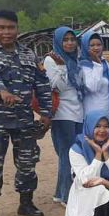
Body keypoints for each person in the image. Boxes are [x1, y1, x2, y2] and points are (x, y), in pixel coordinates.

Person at [0, 10, 52, 216]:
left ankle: (26, 203)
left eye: (11, 27)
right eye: (1, 28)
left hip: (24, 119)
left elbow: (42, 85)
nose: (6, 32)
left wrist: (46, 113)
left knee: (27, 162)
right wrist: (2, 92)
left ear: (17, 29)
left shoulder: (29, 55)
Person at [44, 27, 84, 204]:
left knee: (76, 154)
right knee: (66, 155)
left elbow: (81, 84)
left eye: (72, 39)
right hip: (62, 113)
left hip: (78, 111)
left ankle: (60, 193)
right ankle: (67, 195)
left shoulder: (76, 59)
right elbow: (56, 87)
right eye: (65, 39)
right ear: (59, 41)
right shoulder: (51, 59)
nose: (69, 43)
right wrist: (61, 68)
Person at [79, 32, 109, 117]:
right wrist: (97, 64)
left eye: (99, 44)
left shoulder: (104, 63)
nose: (96, 48)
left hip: (108, 113)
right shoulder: (84, 65)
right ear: (85, 47)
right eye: (92, 45)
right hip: (92, 114)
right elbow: (92, 87)